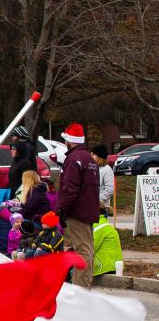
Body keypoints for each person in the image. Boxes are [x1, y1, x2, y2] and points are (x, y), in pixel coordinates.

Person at [56, 123, 99, 289]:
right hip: (87, 211)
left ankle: (80, 290)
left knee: (82, 252)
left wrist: (61, 209)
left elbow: (69, 189)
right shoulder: (89, 159)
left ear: (69, 140)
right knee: (82, 250)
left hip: (77, 213)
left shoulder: (73, 160)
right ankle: (81, 286)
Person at [8, 126, 38, 196]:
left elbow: (25, 170)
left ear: (19, 136)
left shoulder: (26, 148)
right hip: (16, 188)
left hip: (21, 190)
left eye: (13, 136)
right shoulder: (21, 147)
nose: (12, 138)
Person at [93, 209, 122, 276]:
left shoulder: (98, 227)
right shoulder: (104, 225)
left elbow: (90, 248)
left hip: (103, 268)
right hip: (112, 266)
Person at [91, 144, 115, 212]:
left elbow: (109, 189)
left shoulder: (107, 169)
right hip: (90, 205)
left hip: (101, 207)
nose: (91, 157)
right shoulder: (92, 167)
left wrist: (98, 200)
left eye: (93, 155)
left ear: (99, 157)